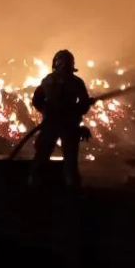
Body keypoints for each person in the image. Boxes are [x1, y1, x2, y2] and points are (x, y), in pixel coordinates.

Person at [30, 49, 92, 189]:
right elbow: (83, 106)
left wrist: (47, 110)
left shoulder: (48, 80)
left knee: (43, 158)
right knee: (67, 162)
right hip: (64, 125)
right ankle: (70, 191)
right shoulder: (75, 82)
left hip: (55, 124)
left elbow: (37, 100)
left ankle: (35, 188)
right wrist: (78, 108)